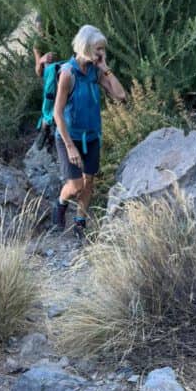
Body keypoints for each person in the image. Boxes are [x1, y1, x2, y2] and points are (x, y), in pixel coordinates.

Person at [52, 25, 126, 238]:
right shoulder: (68, 73)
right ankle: (60, 203)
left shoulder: (95, 71)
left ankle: (80, 223)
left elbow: (120, 96)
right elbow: (57, 114)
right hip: (69, 138)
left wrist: (106, 68)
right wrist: (70, 147)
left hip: (92, 137)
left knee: (89, 182)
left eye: (103, 49)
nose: (101, 53)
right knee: (75, 186)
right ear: (85, 47)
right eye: (98, 49)